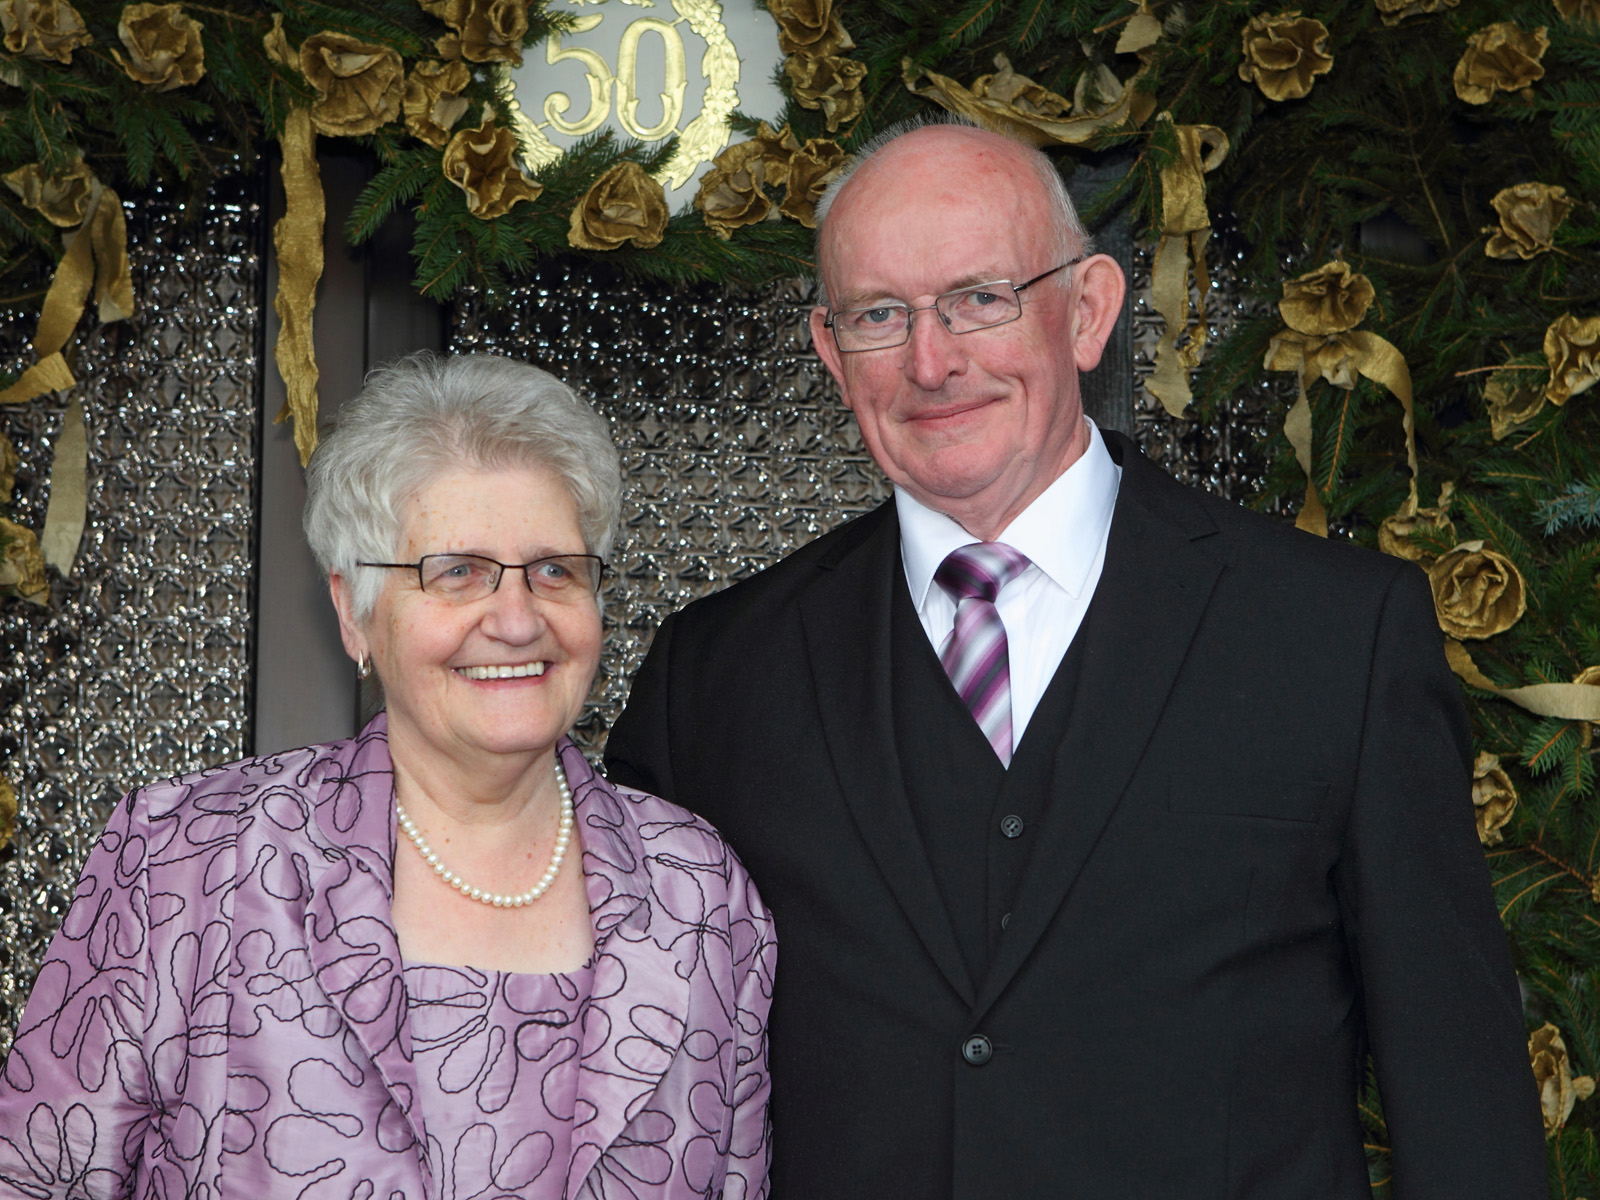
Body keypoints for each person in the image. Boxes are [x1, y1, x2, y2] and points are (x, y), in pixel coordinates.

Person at [603, 121, 1547, 1197]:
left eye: (980, 298)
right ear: (829, 349)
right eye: (879, 315)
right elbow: (624, 1071)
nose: (931, 362)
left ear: (1089, 312)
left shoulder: (1338, 632)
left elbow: (1460, 1096)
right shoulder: (714, 673)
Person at [0, 353, 775, 1199]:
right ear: (353, 611)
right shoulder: (190, 859)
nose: (517, 619)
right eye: (458, 572)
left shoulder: (698, 891)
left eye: (555, 569)